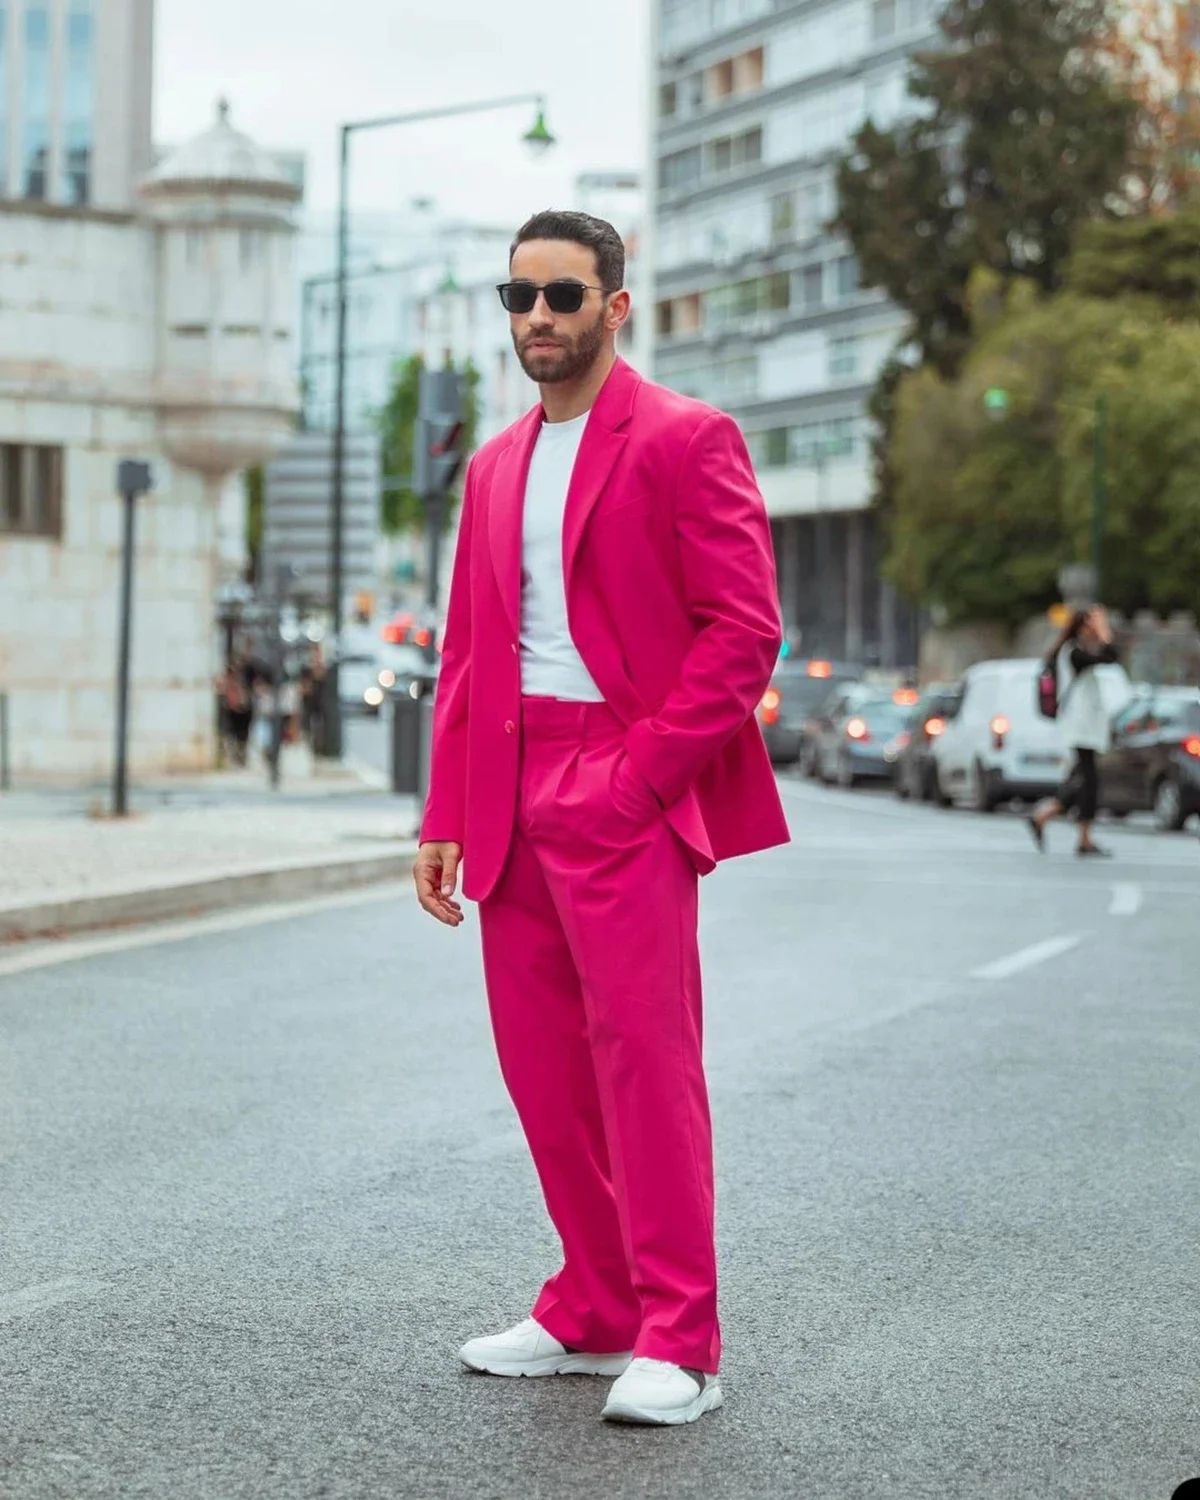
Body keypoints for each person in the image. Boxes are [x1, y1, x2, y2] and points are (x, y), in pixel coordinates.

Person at [412, 210, 789, 1426]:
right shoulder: (490, 466)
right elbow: (471, 654)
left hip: (619, 781)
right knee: (544, 1071)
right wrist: (444, 812)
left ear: (615, 306)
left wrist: (642, 778)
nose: (538, 320)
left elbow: (744, 632)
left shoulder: (687, 438)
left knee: (645, 1062)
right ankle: (594, 1301)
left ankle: (681, 1334)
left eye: (563, 297)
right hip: (510, 787)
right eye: (518, 297)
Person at [1028, 606, 1119, 856]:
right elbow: (1110, 657)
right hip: (1080, 725)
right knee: (1088, 780)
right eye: (1094, 622)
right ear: (1083, 624)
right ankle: (1082, 838)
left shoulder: (1077, 649)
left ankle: (1043, 817)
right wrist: (1104, 633)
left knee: (1081, 780)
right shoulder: (1074, 652)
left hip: (1085, 725)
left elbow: (1111, 657)